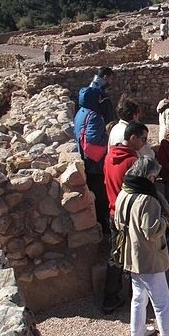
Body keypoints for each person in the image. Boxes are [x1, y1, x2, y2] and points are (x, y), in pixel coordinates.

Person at [114, 157, 169, 336]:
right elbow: (151, 231)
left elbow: (117, 222)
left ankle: (137, 332)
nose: (156, 179)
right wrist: (165, 220)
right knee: (162, 301)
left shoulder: (124, 191)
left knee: (139, 296)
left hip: (131, 254)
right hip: (149, 257)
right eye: (155, 176)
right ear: (148, 176)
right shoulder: (148, 199)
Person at [102, 121, 149, 314]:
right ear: (133, 138)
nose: (145, 143)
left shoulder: (109, 156)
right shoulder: (133, 162)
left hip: (114, 213)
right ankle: (117, 297)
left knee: (116, 255)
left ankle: (114, 296)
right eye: (143, 139)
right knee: (132, 257)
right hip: (129, 216)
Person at [74, 87, 110, 234]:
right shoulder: (94, 115)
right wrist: (108, 137)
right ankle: (104, 226)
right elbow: (93, 140)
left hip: (85, 159)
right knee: (100, 195)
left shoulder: (80, 112)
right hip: (95, 163)